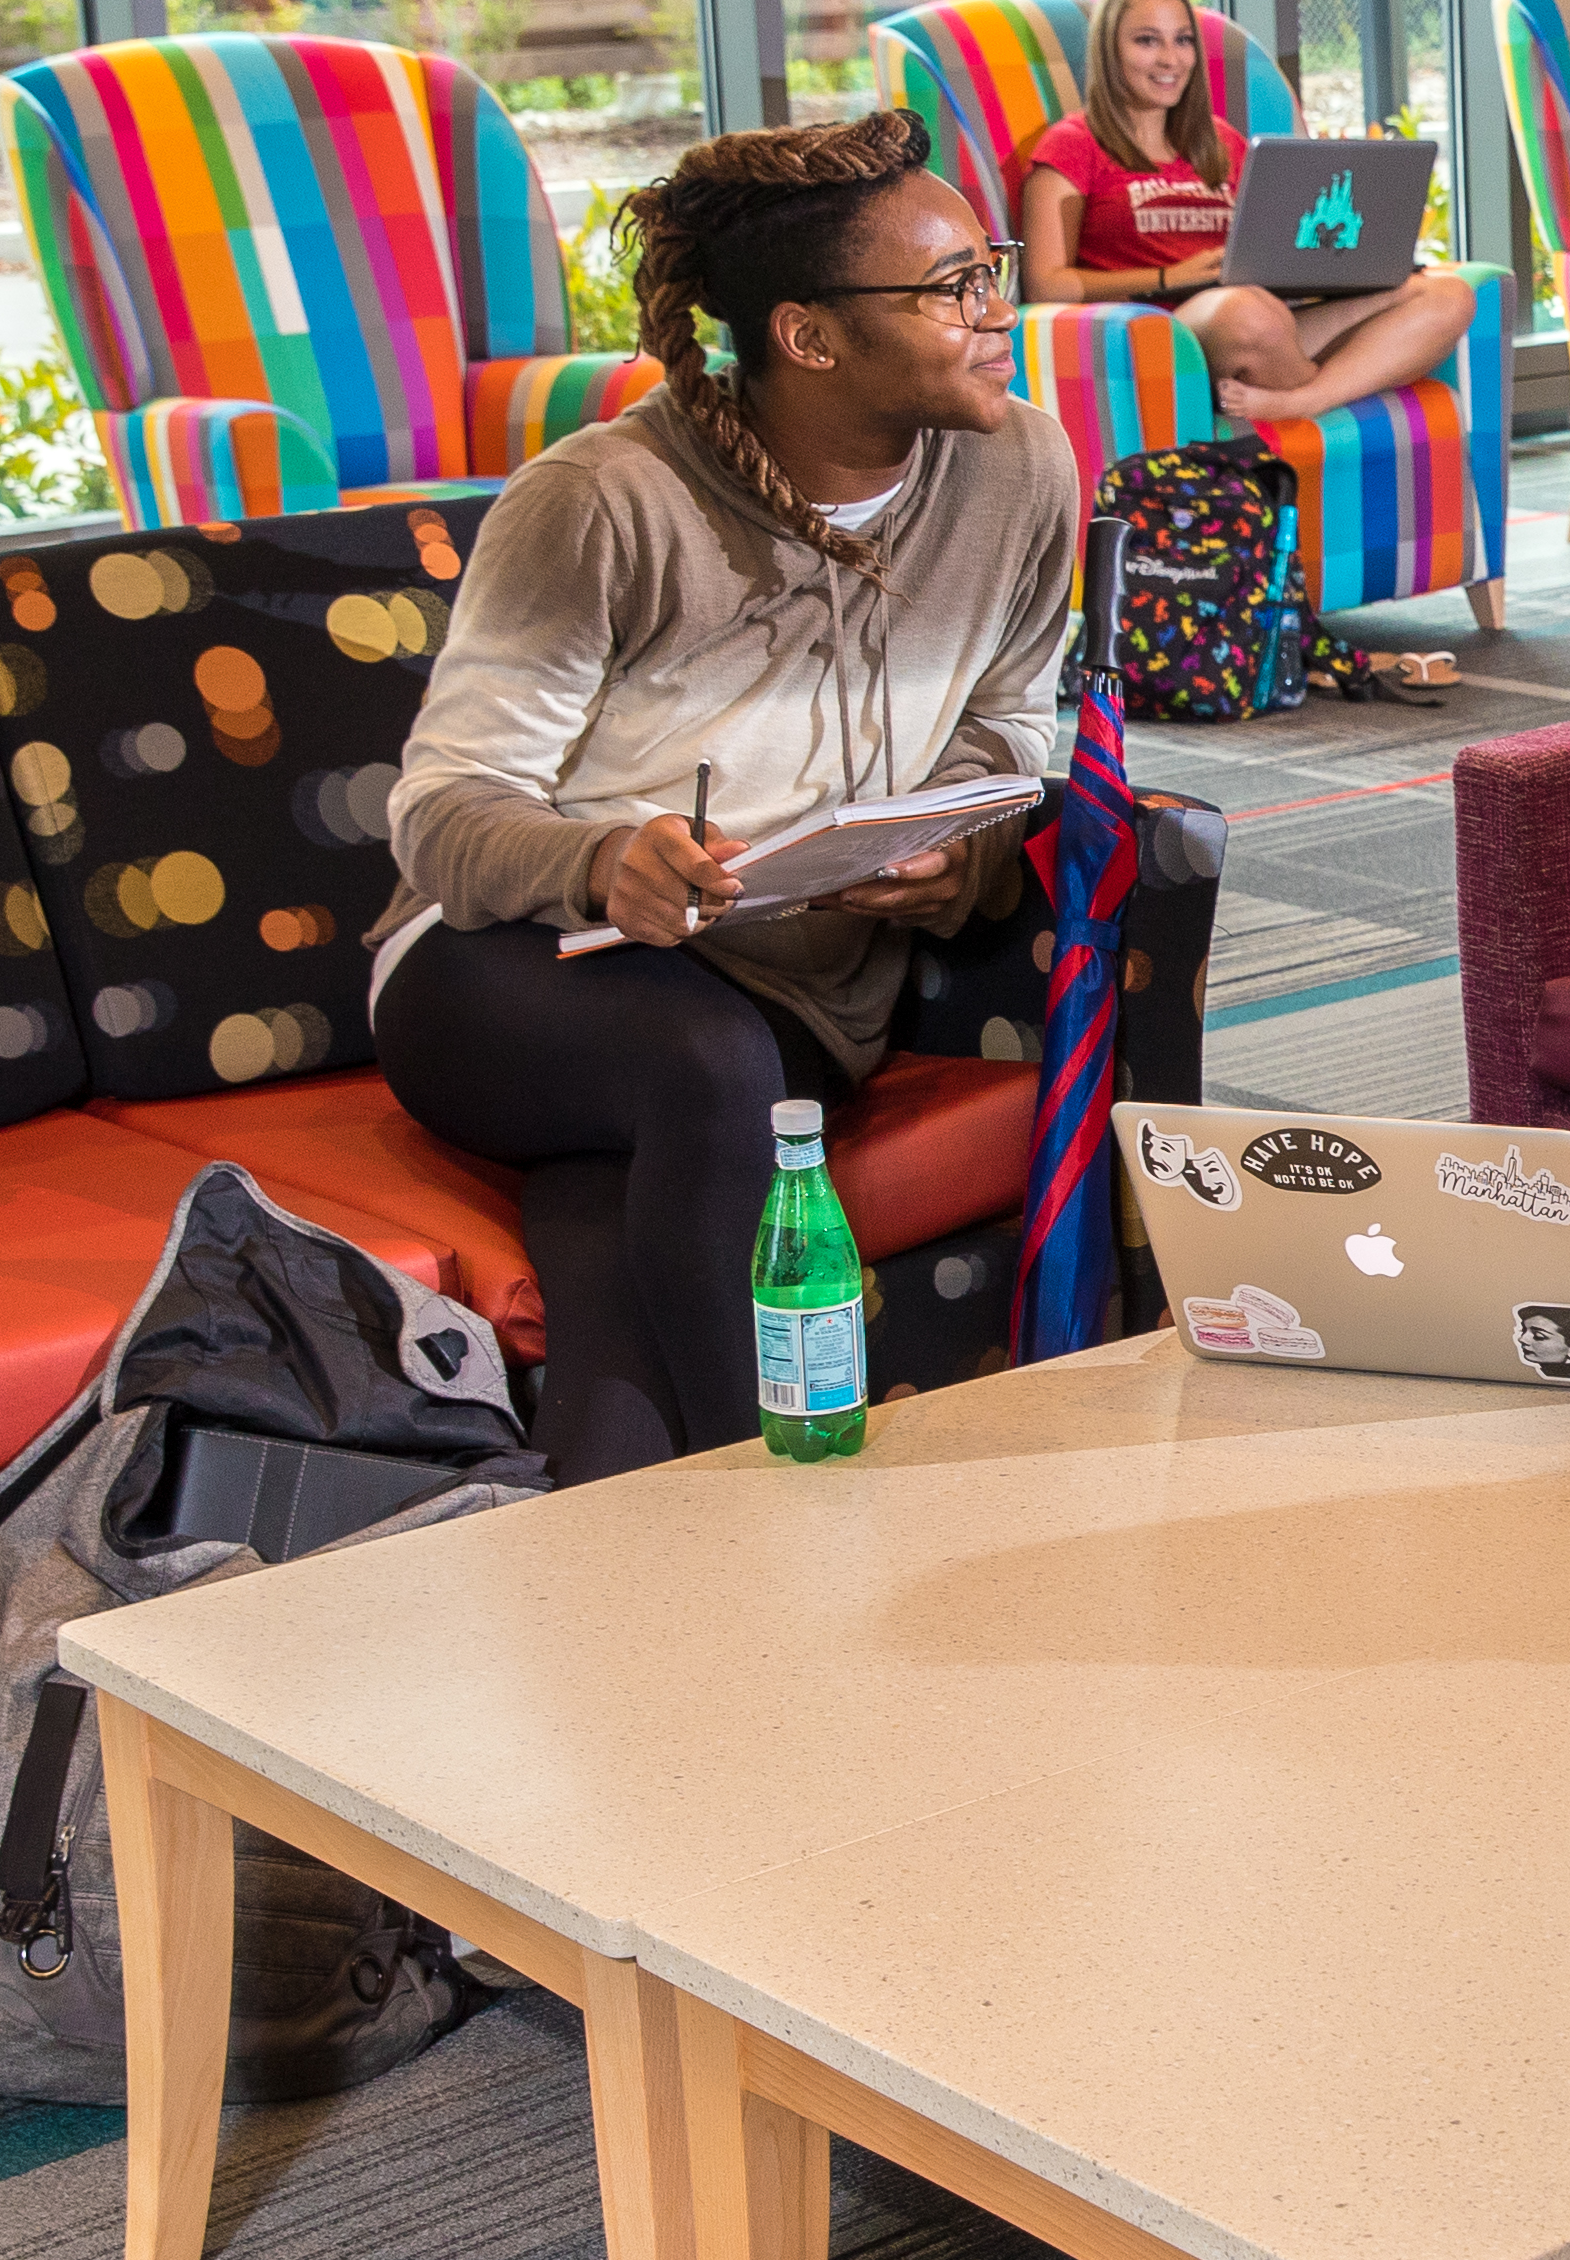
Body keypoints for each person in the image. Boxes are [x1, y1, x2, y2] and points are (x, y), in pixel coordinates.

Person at [378, 112, 1081, 1485]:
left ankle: (616, 1559)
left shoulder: (1021, 471)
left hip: (780, 996)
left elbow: (1012, 739)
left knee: (613, 1235)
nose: (998, 309)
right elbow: (441, 812)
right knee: (710, 1075)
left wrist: (960, 859)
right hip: (500, 975)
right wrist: (601, 862)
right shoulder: (600, 502)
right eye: (952, 288)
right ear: (812, 338)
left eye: (988, 266)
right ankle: (774, 1506)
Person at [1014, 0, 1479, 425]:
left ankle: (1306, 399)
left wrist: (1342, 263)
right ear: (1109, 51)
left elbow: (1271, 249)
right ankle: (1327, 392)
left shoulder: (1219, 141)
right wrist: (1166, 276)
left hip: (1269, 318)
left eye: (1183, 40)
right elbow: (1046, 284)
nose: (1170, 60)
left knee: (1446, 294)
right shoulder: (1073, 146)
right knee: (1248, 311)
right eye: (1146, 40)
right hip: (1169, 331)